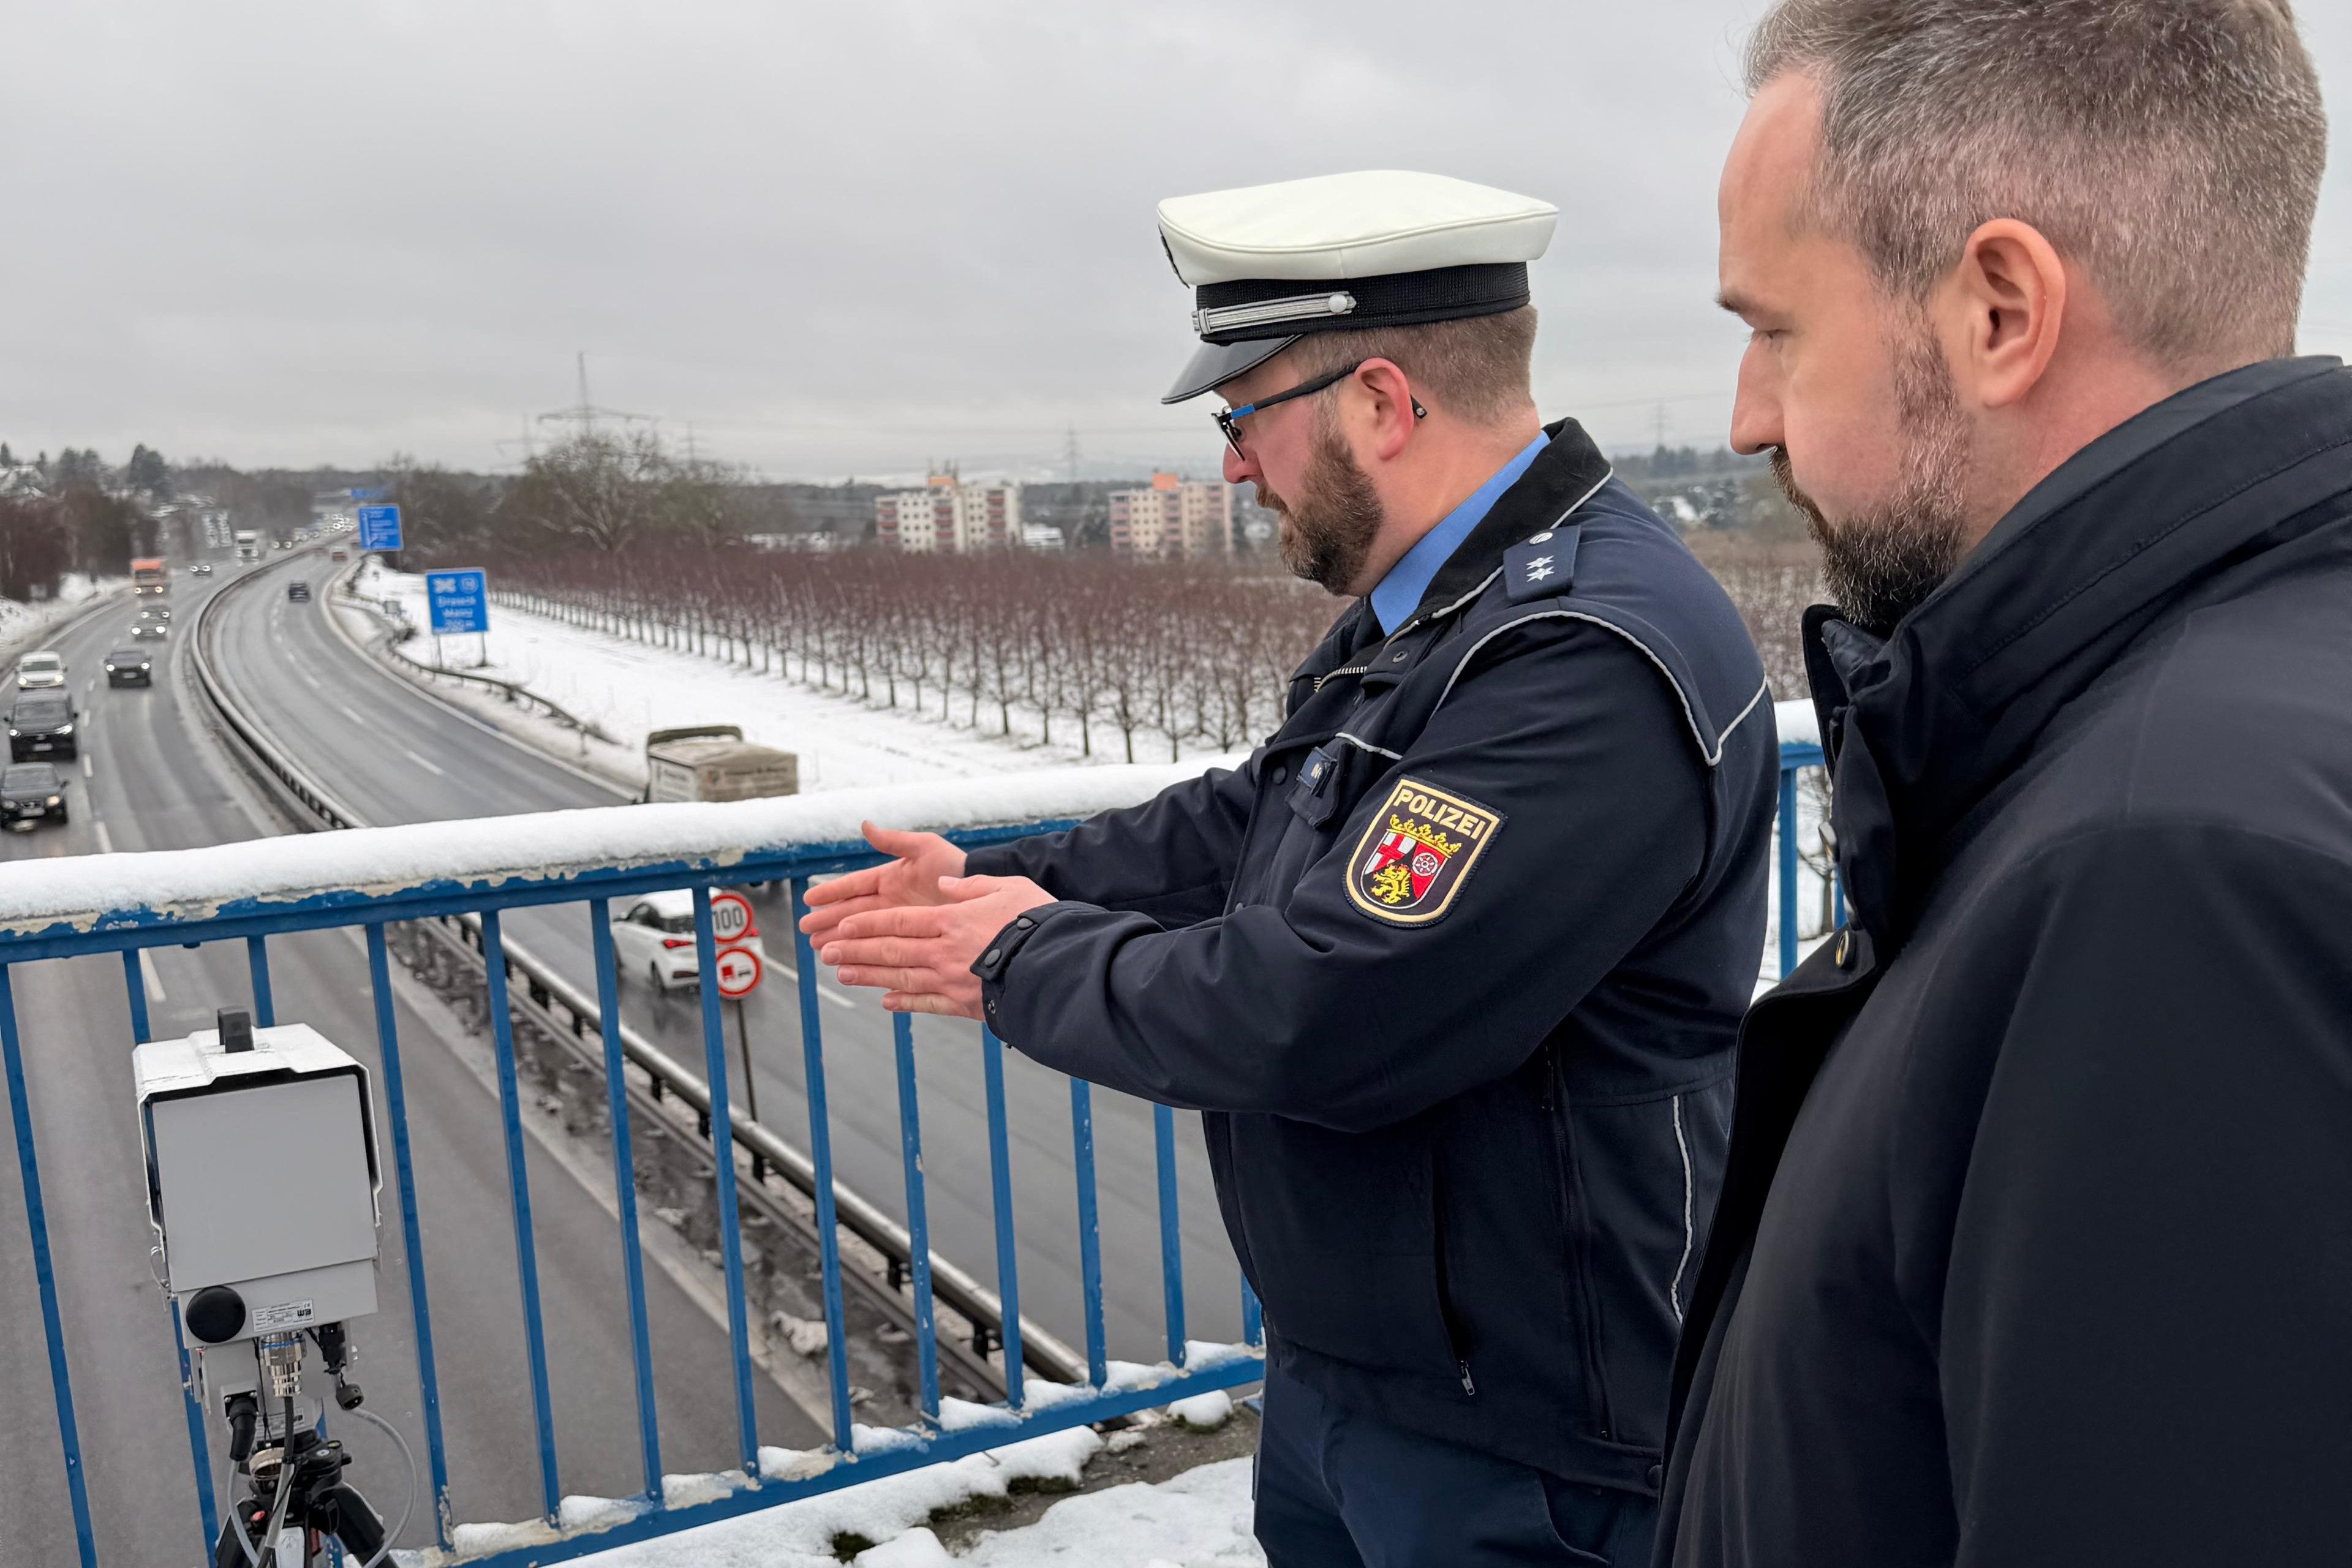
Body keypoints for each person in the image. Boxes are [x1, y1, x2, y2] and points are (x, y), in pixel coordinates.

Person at [800, 169, 1779, 1566]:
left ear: (1380, 402)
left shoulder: (1585, 660)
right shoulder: (1437, 609)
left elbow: (1335, 1006)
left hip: (1532, 1439)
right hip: (1356, 1380)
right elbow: (1251, 821)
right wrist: (993, 877)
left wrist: (1014, 951)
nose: (1232, 464)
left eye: (1243, 414)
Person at [1659, 2, 2348, 1564]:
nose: (1747, 415)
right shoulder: (2223, 720)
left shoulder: (2164, 880)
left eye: (1776, 328)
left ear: (1998, 311)